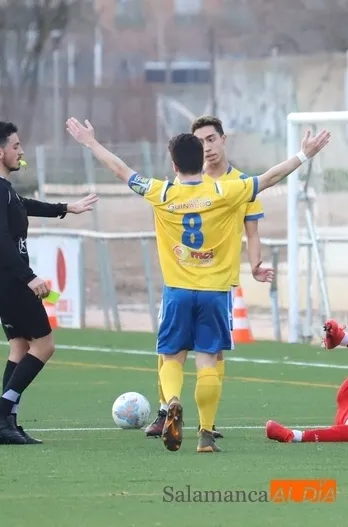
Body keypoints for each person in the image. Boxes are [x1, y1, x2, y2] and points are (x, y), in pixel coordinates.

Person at [65, 116, 330, 453]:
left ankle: (172, 401)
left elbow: (120, 170)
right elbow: (271, 176)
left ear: (173, 164)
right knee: (208, 361)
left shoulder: (160, 192)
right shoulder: (226, 190)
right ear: (201, 159)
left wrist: (90, 143)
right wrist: (304, 155)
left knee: (172, 358)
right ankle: (205, 435)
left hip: (177, 292)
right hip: (215, 293)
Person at [144, 115, 273, 441]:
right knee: (174, 351)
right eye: (201, 141)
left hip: (217, 281)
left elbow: (252, 231)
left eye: (211, 139)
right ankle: (166, 412)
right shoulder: (182, 185)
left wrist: (255, 264)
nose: (208, 146)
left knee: (210, 353)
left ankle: (205, 421)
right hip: (190, 280)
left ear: (222, 139)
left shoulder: (240, 185)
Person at [0, 121, 99, 445]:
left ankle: (6, 426)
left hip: (5, 280)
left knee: (19, 347)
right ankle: (1, 411)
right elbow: (1, 240)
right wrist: (29, 278)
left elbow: (24, 206)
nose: (21, 151)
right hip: (9, 281)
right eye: (16, 146)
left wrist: (65, 208)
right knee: (44, 346)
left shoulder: (1, 187)